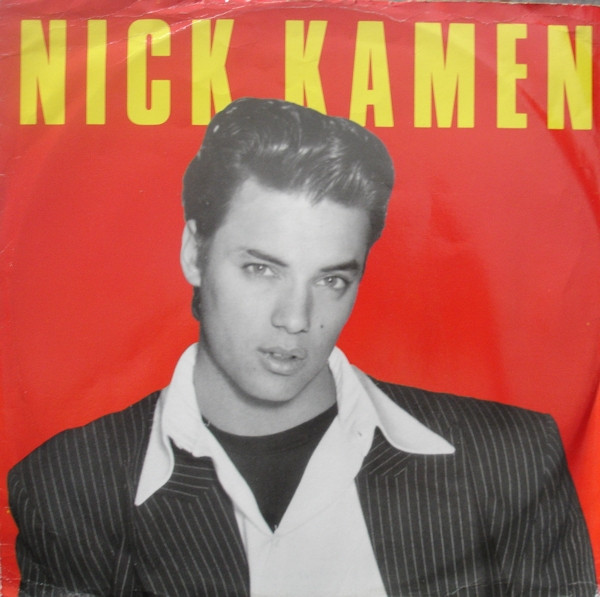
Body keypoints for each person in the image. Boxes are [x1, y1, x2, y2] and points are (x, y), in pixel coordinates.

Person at [8, 98, 596, 597]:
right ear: (194, 253)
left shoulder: (512, 462)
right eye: (262, 269)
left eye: (331, 279)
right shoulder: (70, 485)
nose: (296, 319)